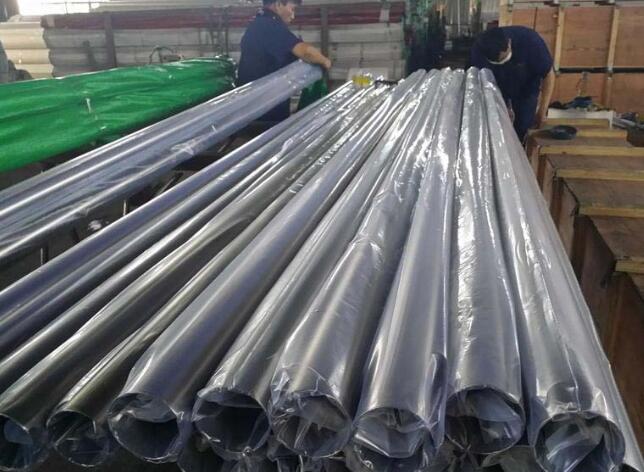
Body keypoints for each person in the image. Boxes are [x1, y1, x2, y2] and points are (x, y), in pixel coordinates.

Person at [238, 0, 332, 122]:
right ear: (278, 4)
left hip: (257, 102)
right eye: (292, 9)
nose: (293, 16)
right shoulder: (269, 25)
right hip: (264, 106)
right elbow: (305, 52)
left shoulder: (258, 23)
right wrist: (325, 61)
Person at [471, 26, 555, 142]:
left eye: (504, 59)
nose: (502, 62)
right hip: (496, 85)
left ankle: (520, 145)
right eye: (497, 62)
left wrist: (542, 110)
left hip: (526, 86)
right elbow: (475, 80)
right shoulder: (478, 50)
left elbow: (548, 75)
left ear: (509, 43)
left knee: (524, 122)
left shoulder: (530, 42)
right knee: (496, 123)